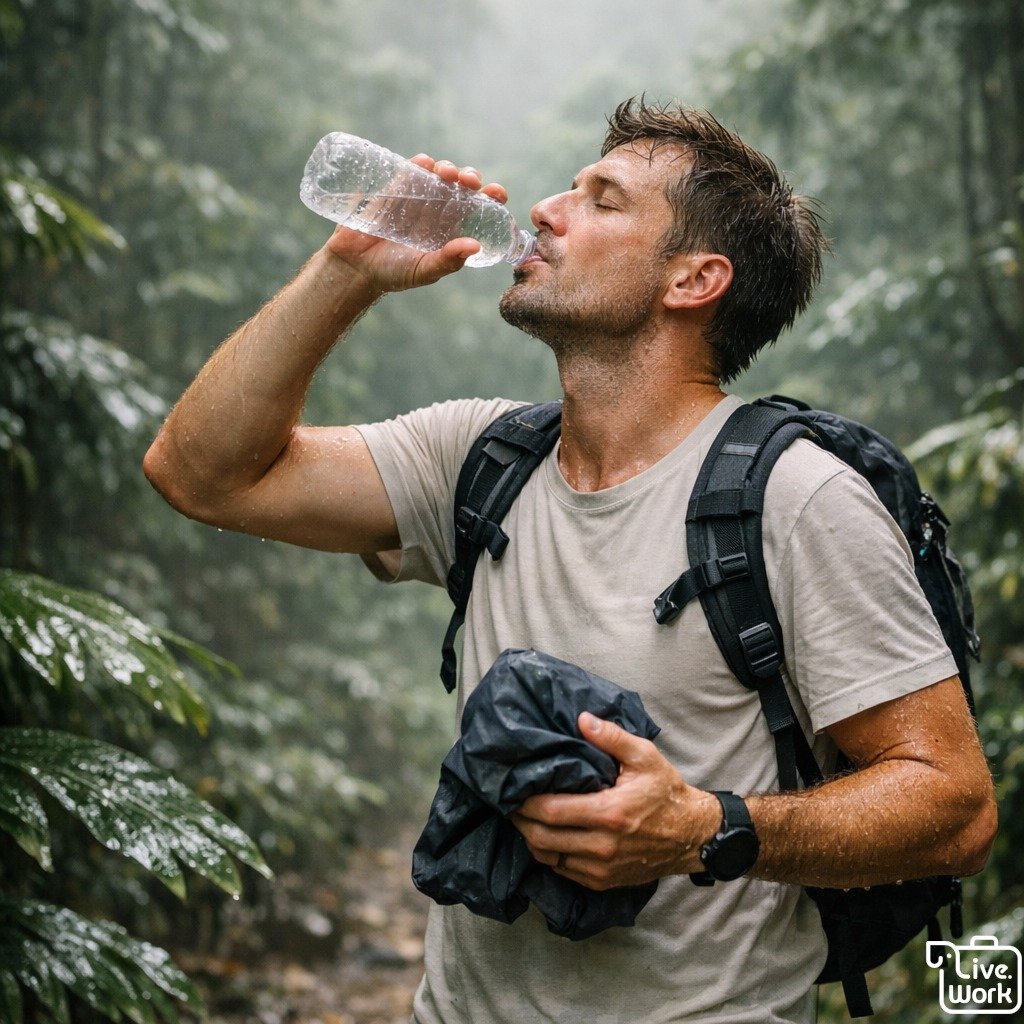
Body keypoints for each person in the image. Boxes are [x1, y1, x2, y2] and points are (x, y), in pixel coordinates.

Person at [144, 97, 997, 1024]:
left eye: (604, 200)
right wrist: (346, 271)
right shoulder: (478, 456)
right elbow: (202, 476)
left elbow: (955, 809)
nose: (547, 208)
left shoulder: (799, 498)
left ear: (694, 280)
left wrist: (704, 830)